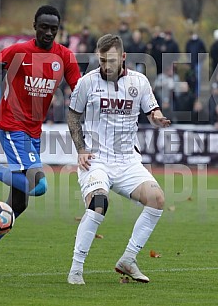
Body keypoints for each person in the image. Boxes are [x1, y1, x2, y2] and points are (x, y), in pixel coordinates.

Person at [0, 5, 81, 277]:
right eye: (44, 27)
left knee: (18, 205)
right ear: (34, 25)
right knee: (39, 187)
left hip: (33, 133)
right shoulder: (18, 52)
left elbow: (80, 88)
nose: (48, 32)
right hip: (13, 126)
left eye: (53, 29)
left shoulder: (65, 57)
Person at [66, 34, 170, 285]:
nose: (106, 66)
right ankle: (76, 268)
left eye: (111, 60)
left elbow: (151, 109)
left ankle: (128, 259)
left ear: (123, 58)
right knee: (99, 201)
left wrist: (156, 117)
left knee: (157, 199)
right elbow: (73, 116)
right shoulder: (87, 83)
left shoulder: (139, 82)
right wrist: (80, 149)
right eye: (101, 60)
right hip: (96, 158)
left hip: (127, 160)